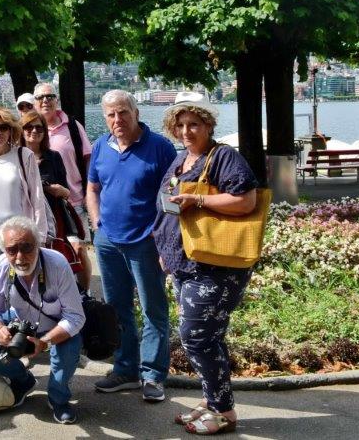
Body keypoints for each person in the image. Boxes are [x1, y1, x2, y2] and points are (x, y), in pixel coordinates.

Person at [155, 98, 258, 436]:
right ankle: (212, 400)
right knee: (208, 337)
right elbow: (168, 208)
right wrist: (165, 250)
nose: (186, 131)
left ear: (209, 126)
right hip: (186, 262)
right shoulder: (181, 159)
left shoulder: (224, 156)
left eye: (193, 125)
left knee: (195, 337)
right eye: (180, 126)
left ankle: (224, 412)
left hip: (216, 265)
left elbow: (246, 200)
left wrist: (198, 199)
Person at [86, 89, 177, 402]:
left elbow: (173, 196)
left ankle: (152, 375)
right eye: (111, 114)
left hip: (145, 241)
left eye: (123, 112)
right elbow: (92, 188)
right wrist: (96, 221)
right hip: (108, 240)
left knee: (153, 309)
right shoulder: (101, 145)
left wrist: (163, 234)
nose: (117, 119)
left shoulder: (160, 148)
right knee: (117, 308)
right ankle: (125, 370)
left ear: (136, 113)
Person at [0, 217, 85, 425]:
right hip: (21, 322)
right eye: (12, 250)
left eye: (27, 248)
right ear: (3, 250)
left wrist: (45, 342)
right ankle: (23, 380)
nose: (19, 257)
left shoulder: (57, 264)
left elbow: (75, 317)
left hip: (56, 327)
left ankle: (58, 399)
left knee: (69, 348)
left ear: (39, 244)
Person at [20, 110, 92, 291]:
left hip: (54, 217)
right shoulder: (16, 158)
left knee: (72, 254)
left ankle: (82, 295)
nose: (34, 131)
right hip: (26, 218)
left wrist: (58, 190)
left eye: (39, 127)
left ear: (45, 132)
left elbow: (66, 191)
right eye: (28, 127)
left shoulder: (53, 157)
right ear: (21, 130)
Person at [0, 106, 48, 257]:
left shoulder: (25, 156)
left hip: (21, 234)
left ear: (11, 130)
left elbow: (37, 198)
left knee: (22, 279)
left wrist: (40, 236)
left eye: (3, 127)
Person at [35, 82, 92, 235]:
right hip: (42, 204)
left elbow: (88, 160)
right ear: (35, 102)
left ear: (57, 100)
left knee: (78, 249)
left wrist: (89, 192)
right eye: (40, 97)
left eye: (50, 96)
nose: (45, 100)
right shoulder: (29, 130)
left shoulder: (73, 126)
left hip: (75, 201)